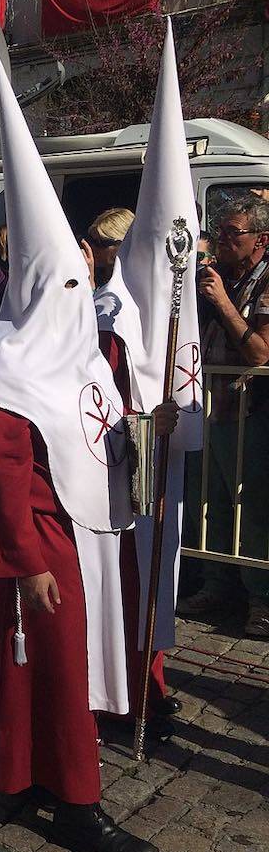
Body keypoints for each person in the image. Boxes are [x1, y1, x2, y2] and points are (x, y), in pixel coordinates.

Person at [0, 48, 157, 852]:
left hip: (83, 539)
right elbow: (2, 483)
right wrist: (30, 561)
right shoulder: (5, 378)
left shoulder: (70, 360)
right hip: (42, 554)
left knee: (50, 674)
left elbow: (102, 419)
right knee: (54, 675)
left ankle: (24, 773)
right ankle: (75, 800)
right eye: (69, 286)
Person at [92, 27, 196, 731]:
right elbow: (93, 400)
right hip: (115, 469)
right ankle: (126, 684)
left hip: (161, 469)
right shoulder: (109, 313)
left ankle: (151, 674)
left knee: (163, 572)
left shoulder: (176, 307)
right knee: (126, 577)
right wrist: (142, 426)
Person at [181, 194, 269, 635]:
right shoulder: (220, 275)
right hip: (210, 406)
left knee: (251, 508)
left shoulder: (264, 279)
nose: (224, 241)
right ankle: (216, 583)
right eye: (221, 232)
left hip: (249, 410)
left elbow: (259, 351)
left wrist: (223, 303)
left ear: (260, 240)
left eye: (234, 233)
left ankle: (261, 598)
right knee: (210, 501)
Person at [81, 208, 135, 289]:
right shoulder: (98, 274)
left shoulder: (134, 284)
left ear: (123, 244)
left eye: (101, 243)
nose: (92, 248)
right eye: (91, 240)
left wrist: (90, 283)